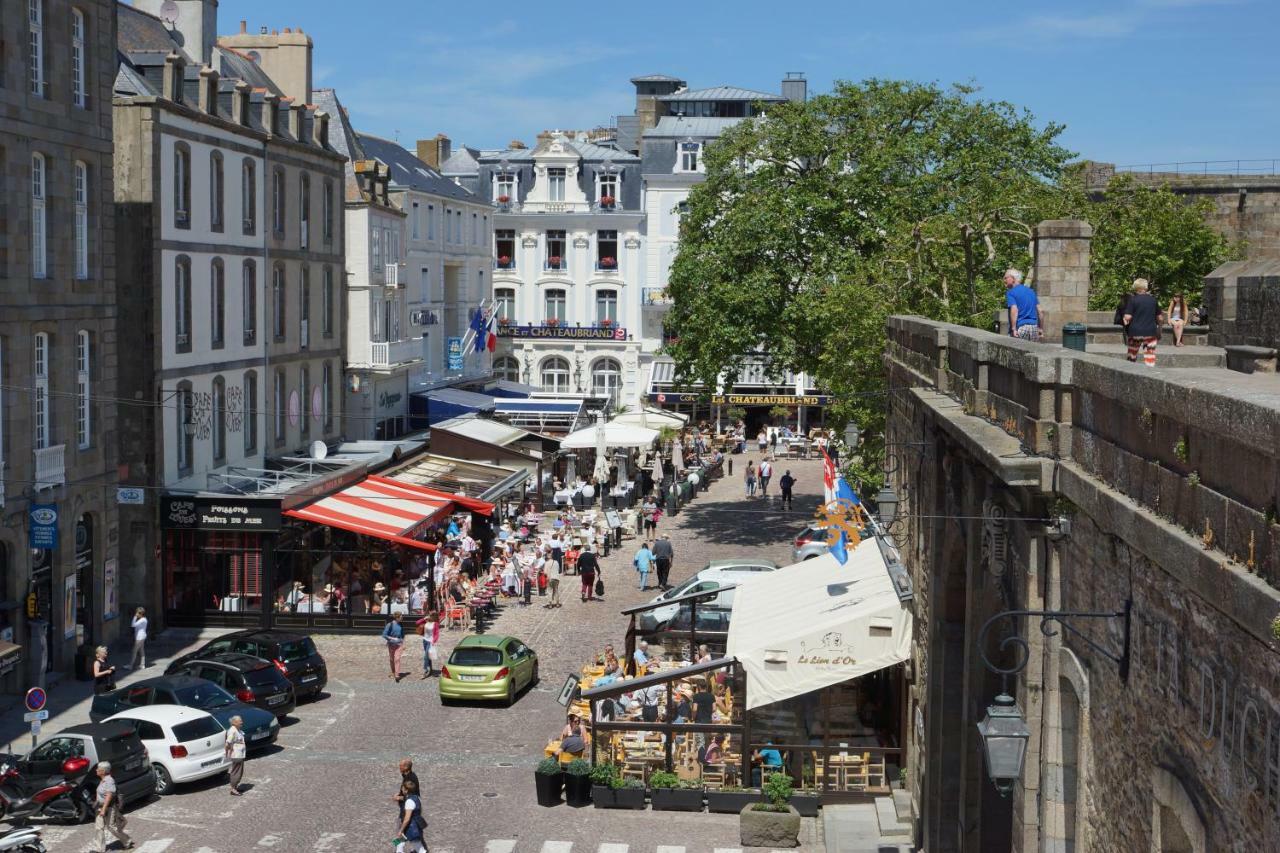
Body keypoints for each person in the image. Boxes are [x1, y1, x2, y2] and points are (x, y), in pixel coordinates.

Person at [93, 761, 133, 852]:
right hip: (100, 807)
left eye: (98, 769)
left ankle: (127, 841)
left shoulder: (109, 780)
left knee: (111, 827)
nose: (96, 770)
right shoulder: (102, 780)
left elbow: (109, 796)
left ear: (103, 771)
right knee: (99, 828)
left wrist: (103, 809)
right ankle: (100, 849)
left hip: (108, 808)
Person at [1124, 278, 1165, 367]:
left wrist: (1125, 318)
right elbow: (1160, 318)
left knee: (1132, 356)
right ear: (1145, 288)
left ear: (1135, 287)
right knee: (1150, 357)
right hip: (1150, 332)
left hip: (1135, 331)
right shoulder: (1153, 300)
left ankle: (1129, 375)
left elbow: (1128, 317)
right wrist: (1160, 330)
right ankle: (1149, 376)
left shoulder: (1132, 299)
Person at [1004, 268, 1043, 342]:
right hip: (1034, 327)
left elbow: (1014, 310)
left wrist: (1013, 329)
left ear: (1013, 278)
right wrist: (1040, 328)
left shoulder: (1011, 292)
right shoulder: (1031, 291)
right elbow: (1040, 311)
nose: (1004, 280)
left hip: (1020, 327)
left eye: (1006, 278)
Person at [394, 778, 427, 853]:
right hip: (414, 824)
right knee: (399, 841)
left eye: (403, 788)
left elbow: (407, 818)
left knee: (420, 849)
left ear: (406, 790)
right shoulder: (417, 797)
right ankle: (398, 851)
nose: (402, 790)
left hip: (411, 827)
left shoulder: (409, 801)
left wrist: (401, 830)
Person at [225, 715, 246, 796]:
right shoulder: (233, 731)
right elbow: (228, 742)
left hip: (240, 754)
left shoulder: (237, 730)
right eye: (240, 721)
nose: (242, 722)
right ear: (234, 722)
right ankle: (233, 789)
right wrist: (229, 751)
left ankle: (235, 786)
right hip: (236, 755)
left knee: (239, 771)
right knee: (236, 772)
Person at [382, 612, 406, 681]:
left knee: (397, 659)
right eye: (401, 616)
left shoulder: (401, 624)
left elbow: (403, 635)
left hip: (399, 645)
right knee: (392, 659)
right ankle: (393, 672)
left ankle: (397, 674)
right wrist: (392, 638)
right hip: (391, 644)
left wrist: (403, 643)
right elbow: (384, 635)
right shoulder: (390, 625)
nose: (402, 617)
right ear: (397, 617)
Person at [416, 611, 439, 678]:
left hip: (430, 641)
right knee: (428, 656)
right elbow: (417, 623)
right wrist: (424, 619)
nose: (429, 616)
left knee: (426, 656)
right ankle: (430, 670)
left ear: (433, 617)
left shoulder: (435, 624)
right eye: (429, 615)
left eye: (430, 615)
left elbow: (437, 634)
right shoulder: (426, 621)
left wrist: (433, 641)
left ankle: (425, 671)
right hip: (425, 640)